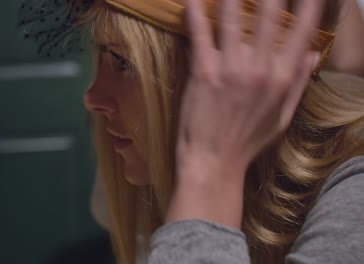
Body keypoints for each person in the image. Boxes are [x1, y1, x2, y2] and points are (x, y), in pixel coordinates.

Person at [19, 0, 364, 263]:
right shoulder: (143, 168)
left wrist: (210, 173)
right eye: (102, 57)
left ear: (242, 73)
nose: (92, 98)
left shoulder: (354, 196)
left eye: (123, 62)